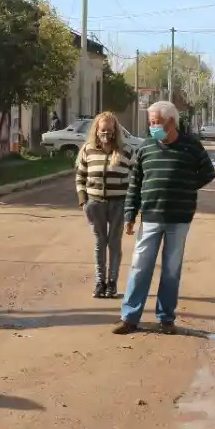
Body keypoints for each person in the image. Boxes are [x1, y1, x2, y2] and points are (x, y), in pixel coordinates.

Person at [114, 101, 215, 335]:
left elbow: (208, 173)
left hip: (179, 219)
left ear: (171, 122)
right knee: (140, 267)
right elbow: (135, 183)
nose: (152, 128)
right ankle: (130, 317)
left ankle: (166, 318)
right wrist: (130, 214)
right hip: (150, 217)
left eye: (156, 123)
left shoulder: (192, 147)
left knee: (171, 269)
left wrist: (186, 187)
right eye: (150, 123)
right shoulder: (146, 148)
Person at [76, 111, 134, 298]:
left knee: (114, 243)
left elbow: (135, 180)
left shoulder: (126, 151)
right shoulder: (88, 149)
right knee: (100, 242)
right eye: (103, 131)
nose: (106, 135)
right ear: (96, 130)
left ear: (115, 131)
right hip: (95, 204)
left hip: (119, 204)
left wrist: (131, 206)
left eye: (110, 131)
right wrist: (83, 201)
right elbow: (80, 177)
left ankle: (112, 283)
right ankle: (100, 282)